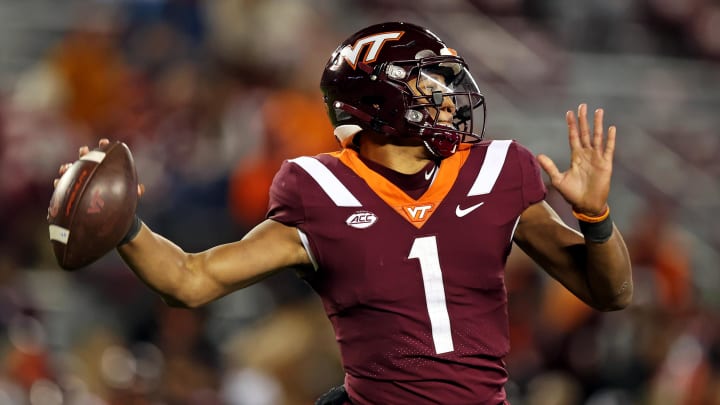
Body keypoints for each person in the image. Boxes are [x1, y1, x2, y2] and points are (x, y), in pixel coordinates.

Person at [56, 21, 633, 405]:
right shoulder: (319, 188)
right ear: (382, 102)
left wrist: (597, 217)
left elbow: (611, 293)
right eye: (429, 83)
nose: (449, 98)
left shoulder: (499, 170)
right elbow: (191, 280)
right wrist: (124, 225)